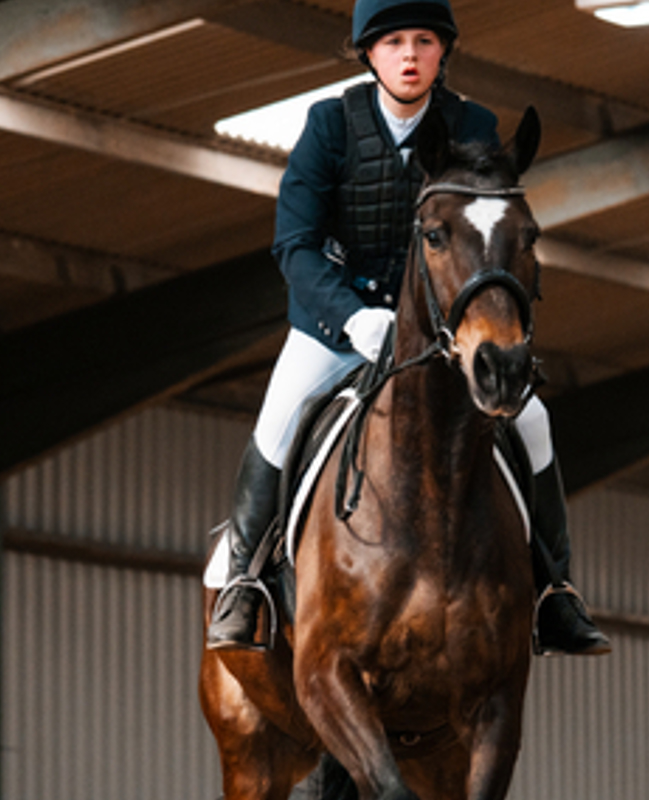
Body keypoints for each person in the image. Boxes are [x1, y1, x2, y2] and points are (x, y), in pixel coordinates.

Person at [207, 0, 610, 658]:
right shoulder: (330, 125)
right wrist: (352, 317)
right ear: (369, 53)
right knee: (279, 419)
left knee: (533, 421)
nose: (411, 54)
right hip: (336, 326)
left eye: (425, 40)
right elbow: (295, 246)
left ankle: (555, 591)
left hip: (439, 331)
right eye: (394, 41)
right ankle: (244, 583)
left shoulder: (472, 125)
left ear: (442, 51)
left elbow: (482, 237)